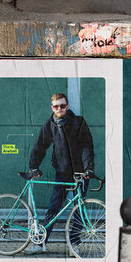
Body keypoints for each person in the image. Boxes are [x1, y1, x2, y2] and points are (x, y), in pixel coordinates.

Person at [27, 92, 96, 249]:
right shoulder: (50, 124)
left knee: (79, 208)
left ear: (68, 106)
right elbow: (40, 146)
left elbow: (87, 146)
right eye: (56, 106)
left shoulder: (78, 122)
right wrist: (34, 166)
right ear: (52, 108)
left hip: (81, 173)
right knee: (54, 207)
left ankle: (74, 244)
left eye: (62, 105)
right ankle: (41, 243)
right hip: (62, 172)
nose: (59, 108)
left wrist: (88, 168)